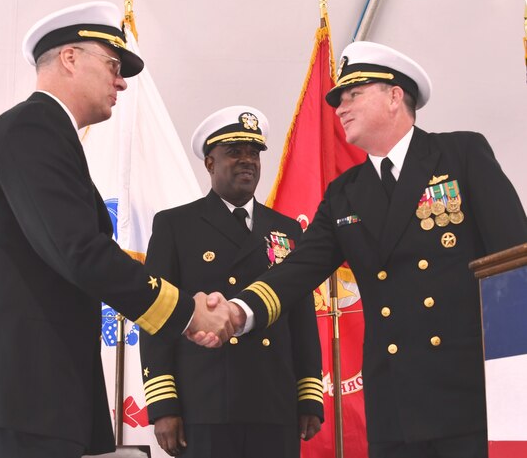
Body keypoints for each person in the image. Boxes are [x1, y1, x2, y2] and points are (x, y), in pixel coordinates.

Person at [0, 2, 240, 458]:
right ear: (70, 58)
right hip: (19, 401)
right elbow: (79, 251)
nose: (121, 81)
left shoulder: (46, 136)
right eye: (114, 65)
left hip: (33, 400)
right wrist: (186, 312)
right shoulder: (34, 129)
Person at [209, 42, 527, 458]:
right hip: (394, 403)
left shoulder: (460, 154)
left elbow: (514, 262)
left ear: (395, 96)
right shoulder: (345, 192)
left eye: (353, 94)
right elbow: (298, 269)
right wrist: (238, 310)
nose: (340, 107)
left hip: (470, 395)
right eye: (339, 98)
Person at [139, 106, 324, 458]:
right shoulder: (175, 226)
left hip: (274, 401)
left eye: (254, 153)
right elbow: (156, 316)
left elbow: (301, 316)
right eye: (234, 152)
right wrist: (164, 404)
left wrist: (308, 394)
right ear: (210, 163)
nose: (247, 161)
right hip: (205, 403)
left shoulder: (286, 229)